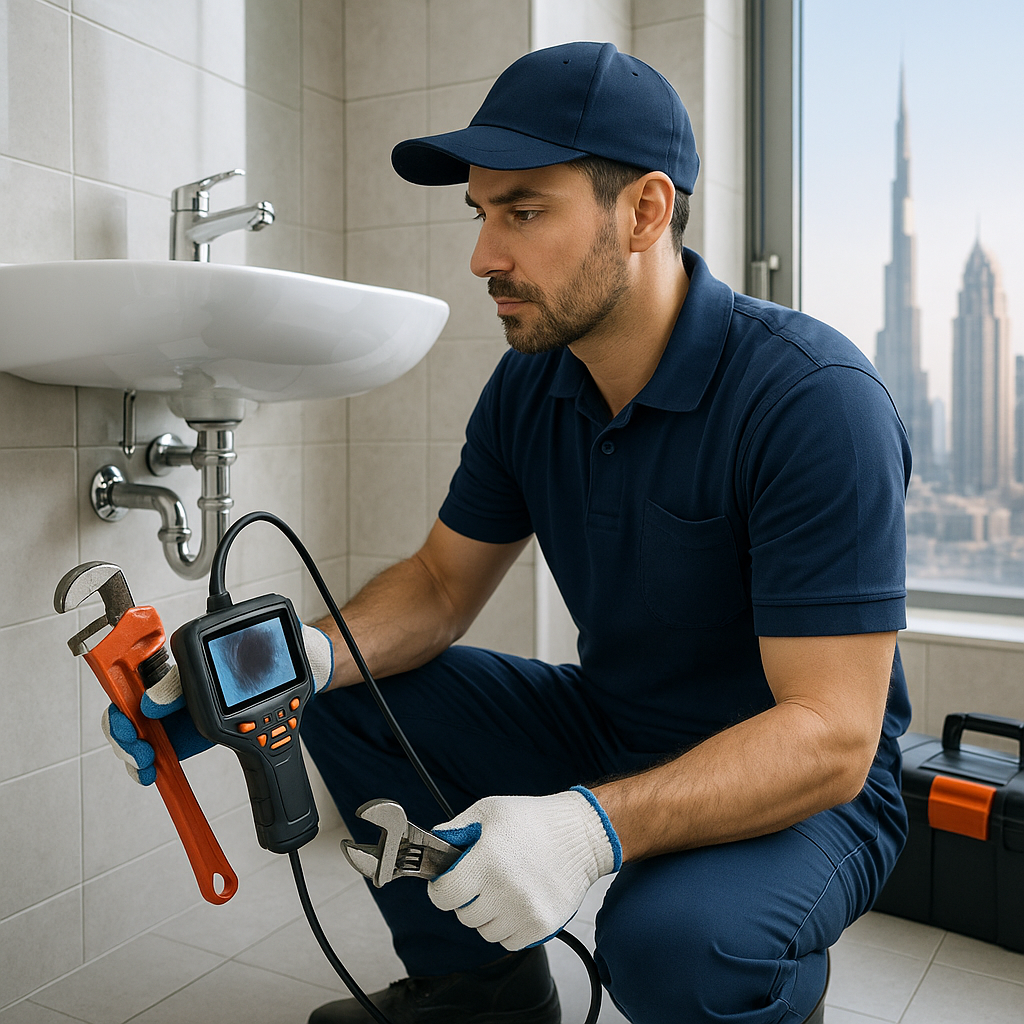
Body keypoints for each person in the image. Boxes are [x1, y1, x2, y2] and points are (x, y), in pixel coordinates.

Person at [105, 40, 910, 1024]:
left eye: (523, 211)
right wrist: (294, 660)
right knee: (355, 691)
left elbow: (831, 737)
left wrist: (583, 829)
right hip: (616, 722)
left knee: (672, 944)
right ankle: (482, 993)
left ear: (645, 210)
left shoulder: (810, 401)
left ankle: (767, 990)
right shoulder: (533, 384)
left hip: (810, 787)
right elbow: (441, 588)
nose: (484, 254)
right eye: (482, 213)